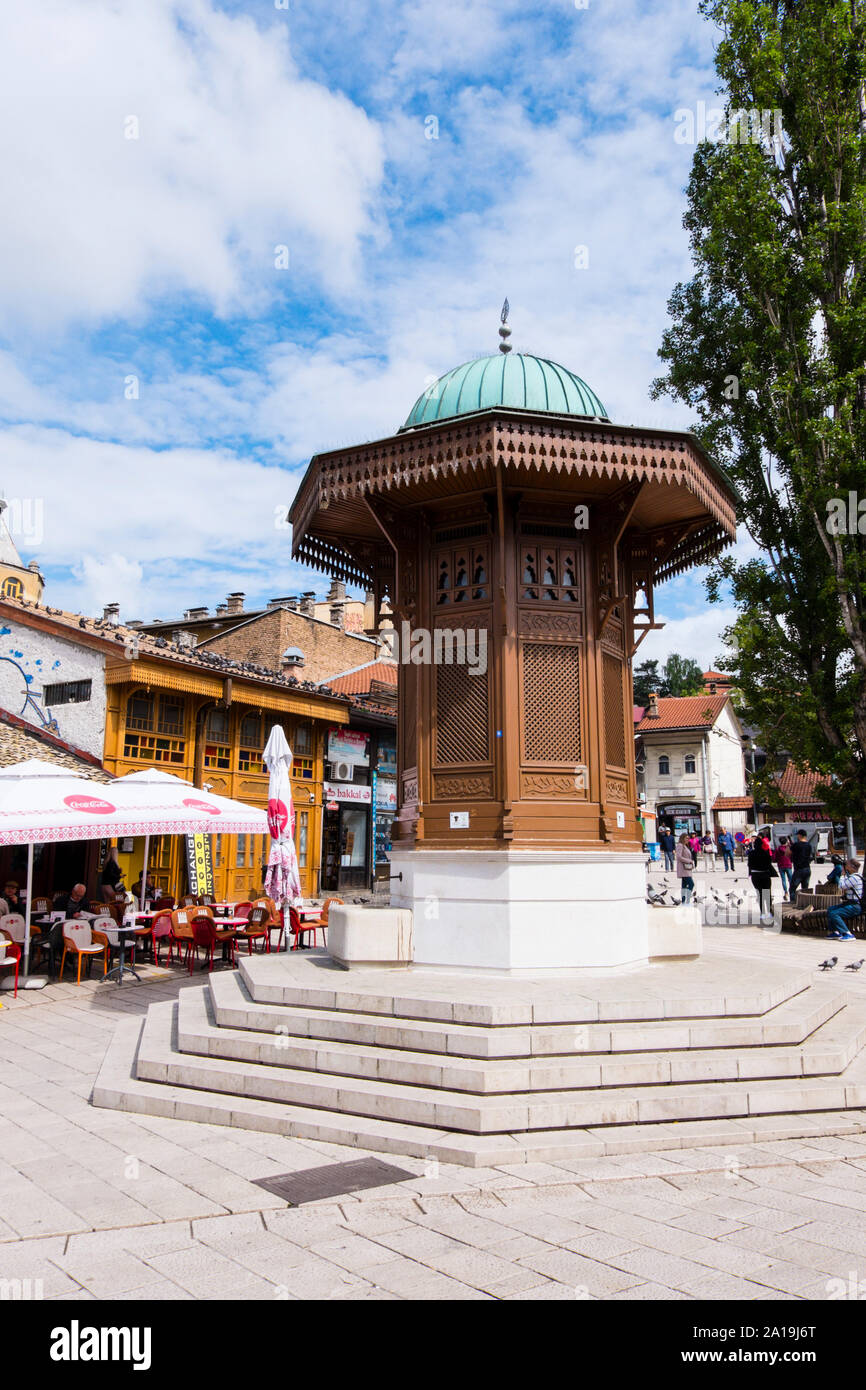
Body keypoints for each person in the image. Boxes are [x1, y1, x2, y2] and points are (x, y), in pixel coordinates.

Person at [826, 859, 864, 940]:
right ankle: (835, 932)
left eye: (847, 865)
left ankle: (847, 933)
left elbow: (841, 886)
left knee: (834, 913)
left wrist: (842, 875)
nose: (845, 866)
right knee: (830, 909)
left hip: (854, 906)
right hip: (850, 903)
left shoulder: (854, 878)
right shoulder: (853, 877)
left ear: (852, 867)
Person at [747, 837, 776, 924]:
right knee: (767, 893)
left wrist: (750, 874)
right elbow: (769, 863)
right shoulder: (765, 853)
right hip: (765, 874)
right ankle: (770, 912)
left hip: (756, 875)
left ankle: (762, 913)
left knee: (759, 894)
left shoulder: (751, 853)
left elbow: (750, 865)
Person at [788, 829, 814, 901]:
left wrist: (789, 846)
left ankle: (792, 903)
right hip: (807, 869)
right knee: (805, 890)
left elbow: (787, 854)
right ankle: (805, 904)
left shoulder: (796, 845)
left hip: (799, 869)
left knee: (792, 889)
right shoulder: (809, 845)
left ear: (799, 835)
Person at [676, 833, 696, 904]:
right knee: (691, 884)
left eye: (688, 838)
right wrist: (689, 861)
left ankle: (684, 901)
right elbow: (679, 857)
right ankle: (687, 900)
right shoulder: (680, 845)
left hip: (686, 868)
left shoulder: (685, 846)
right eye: (686, 838)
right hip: (683, 868)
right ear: (682, 838)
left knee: (684, 886)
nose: (688, 840)